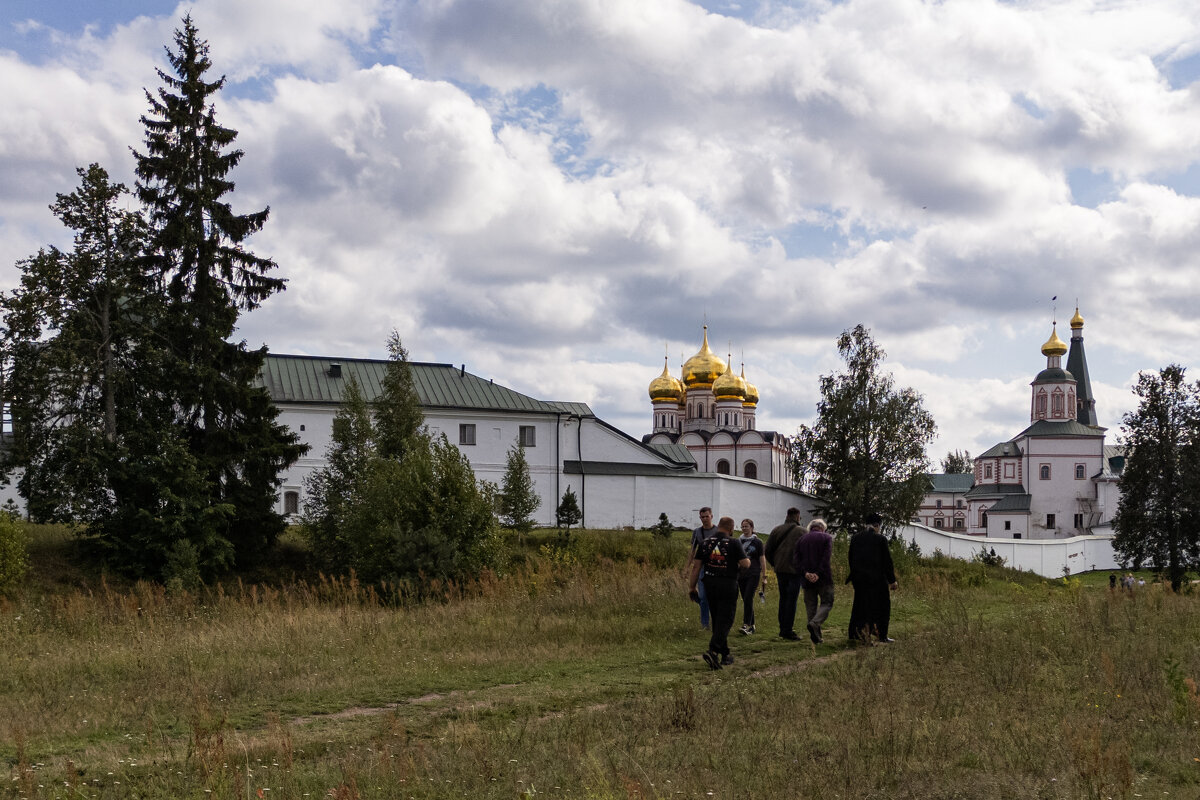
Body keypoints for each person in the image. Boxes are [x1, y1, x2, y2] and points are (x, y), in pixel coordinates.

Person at [688, 516, 751, 669]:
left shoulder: (704, 543)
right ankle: (713, 650)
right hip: (727, 583)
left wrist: (692, 587)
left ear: (718, 527)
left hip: (709, 583)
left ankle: (726, 654)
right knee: (727, 619)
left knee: (717, 618)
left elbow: (696, 567)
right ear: (731, 528)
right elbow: (745, 563)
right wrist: (746, 561)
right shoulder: (734, 542)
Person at [846, 511, 897, 644]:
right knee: (882, 607)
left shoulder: (855, 538)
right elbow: (887, 561)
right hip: (876, 580)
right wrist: (892, 580)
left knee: (859, 606)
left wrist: (854, 574)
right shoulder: (880, 539)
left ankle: (854, 633)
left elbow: (850, 558)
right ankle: (881, 634)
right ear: (876, 525)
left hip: (859, 579)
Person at [765, 507, 807, 640]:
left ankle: (783, 627)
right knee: (791, 600)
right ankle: (787, 630)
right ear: (798, 516)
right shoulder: (802, 531)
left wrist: (775, 563)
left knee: (783, 598)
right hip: (795, 571)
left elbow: (768, 550)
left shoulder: (776, 530)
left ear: (787, 516)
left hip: (780, 570)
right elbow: (807, 552)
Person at [793, 518, 834, 644]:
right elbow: (825, 558)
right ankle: (815, 623)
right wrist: (817, 573)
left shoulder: (801, 540)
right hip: (823, 578)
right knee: (827, 603)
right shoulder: (826, 538)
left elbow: (796, 561)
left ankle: (816, 637)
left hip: (806, 579)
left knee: (811, 606)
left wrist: (806, 573)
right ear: (822, 528)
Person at [687, 507, 718, 629]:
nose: (705, 519)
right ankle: (705, 624)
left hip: (716, 567)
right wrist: (687, 567)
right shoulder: (697, 532)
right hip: (702, 567)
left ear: (711, 516)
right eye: (702, 517)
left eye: (707, 516)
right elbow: (692, 550)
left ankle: (716, 620)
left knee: (714, 596)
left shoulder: (717, 530)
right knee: (703, 596)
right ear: (700, 518)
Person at [736, 518, 768, 635]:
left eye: (746, 526)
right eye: (743, 526)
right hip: (741, 574)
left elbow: (762, 559)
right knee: (746, 599)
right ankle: (752, 626)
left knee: (749, 597)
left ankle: (746, 625)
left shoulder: (757, 542)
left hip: (753, 573)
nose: (744, 528)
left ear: (752, 528)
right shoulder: (738, 541)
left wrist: (764, 575)